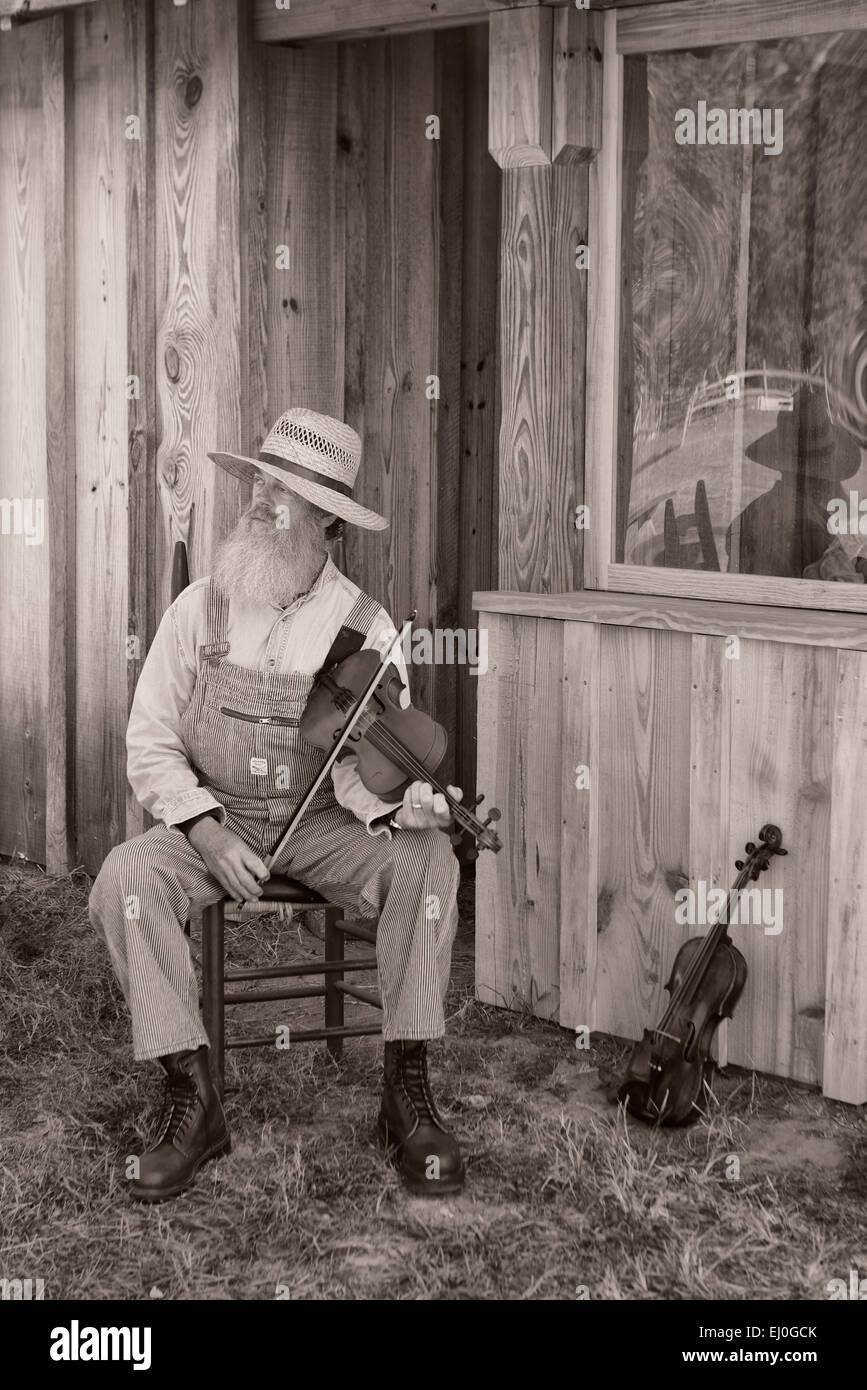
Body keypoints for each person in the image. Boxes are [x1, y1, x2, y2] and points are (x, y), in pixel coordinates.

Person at [89, 408, 465, 1202]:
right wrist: (205, 826)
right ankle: (191, 1096)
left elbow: (368, 776)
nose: (263, 498)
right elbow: (149, 739)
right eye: (262, 479)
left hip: (320, 825)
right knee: (125, 877)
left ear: (328, 516)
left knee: (430, 859)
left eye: (285, 489)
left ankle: (406, 1092)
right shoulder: (201, 607)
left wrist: (409, 811)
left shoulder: (367, 629)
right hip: (211, 814)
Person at [726, 387, 862, 578]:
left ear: (783, 464)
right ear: (824, 480)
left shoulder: (755, 512)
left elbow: (733, 535)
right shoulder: (811, 534)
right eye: (833, 475)